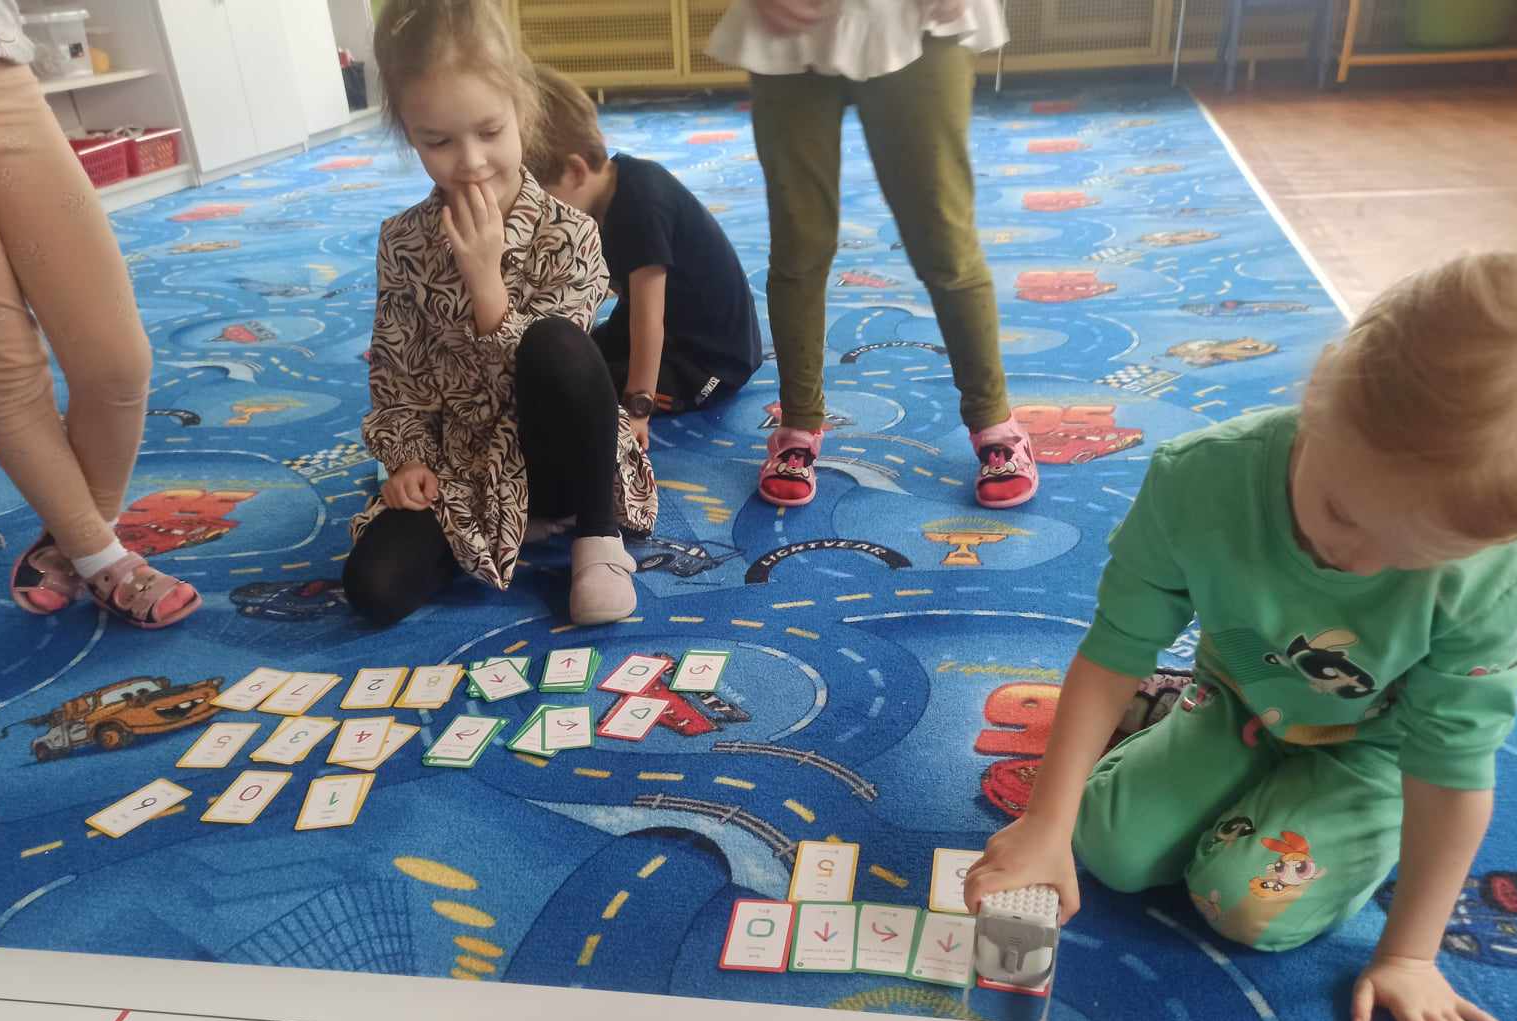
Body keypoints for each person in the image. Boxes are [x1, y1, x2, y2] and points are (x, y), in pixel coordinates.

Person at [962, 252, 1517, 1021]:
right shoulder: (1200, 478)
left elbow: (1454, 767)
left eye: (1411, 556)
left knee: (1248, 904)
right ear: (1320, 391)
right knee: (1108, 847)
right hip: (1233, 697)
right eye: (1342, 513)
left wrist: (1411, 953)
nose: (1354, 561)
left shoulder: (1493, 575)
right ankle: (1181, 728)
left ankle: (1333, 816)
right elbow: (1114, 650)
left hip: (1372, 750)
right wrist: (1045, 823)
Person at [344, 0, 657, 627]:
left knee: (554, 342)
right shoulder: (403, 240)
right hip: (465, 466)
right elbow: (398, 375)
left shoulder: (569, 231)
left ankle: (596, 540)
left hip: (565, 458)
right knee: (373, 589)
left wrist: (485, 281)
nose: (470, 162)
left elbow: (563, 370)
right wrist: (408, 461)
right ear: (410, 133)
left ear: (522, 111)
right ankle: (501, 529)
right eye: (438, 141)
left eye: (489, 132)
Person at [0, 0, 198, 628]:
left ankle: (71, 539)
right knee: (3, 362)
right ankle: (101, 558)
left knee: (117, 360)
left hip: (5, 78)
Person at [707, 0, 1033, 510]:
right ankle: (798, 426)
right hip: (791, 23)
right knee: (798, 242)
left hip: (916, 19)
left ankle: (995, 424)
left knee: (942, 236)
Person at [525, 66, 761, 448]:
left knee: (579, 391)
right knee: (564, 362)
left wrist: (637, 409)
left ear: (575, 171)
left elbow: (649, 323)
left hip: (706, 361)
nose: (535, 212)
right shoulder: (600, 194)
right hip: (662, 326)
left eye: (537, 197)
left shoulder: (640, 205)